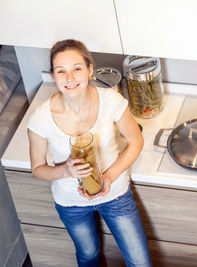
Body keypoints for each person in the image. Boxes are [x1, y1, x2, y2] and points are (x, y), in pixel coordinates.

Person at [27, 39, 152, 267]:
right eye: (61, 71)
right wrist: (65, 171)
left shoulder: (111, 101)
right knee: (88, 255)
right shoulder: (40, 118)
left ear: (90, 69)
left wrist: (109, 177)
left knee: (140, 262)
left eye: (77, 68)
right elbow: (37, 169)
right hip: (71, 202)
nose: (70, 77)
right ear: (54, 76)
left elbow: (136, 141)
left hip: (115, 194)